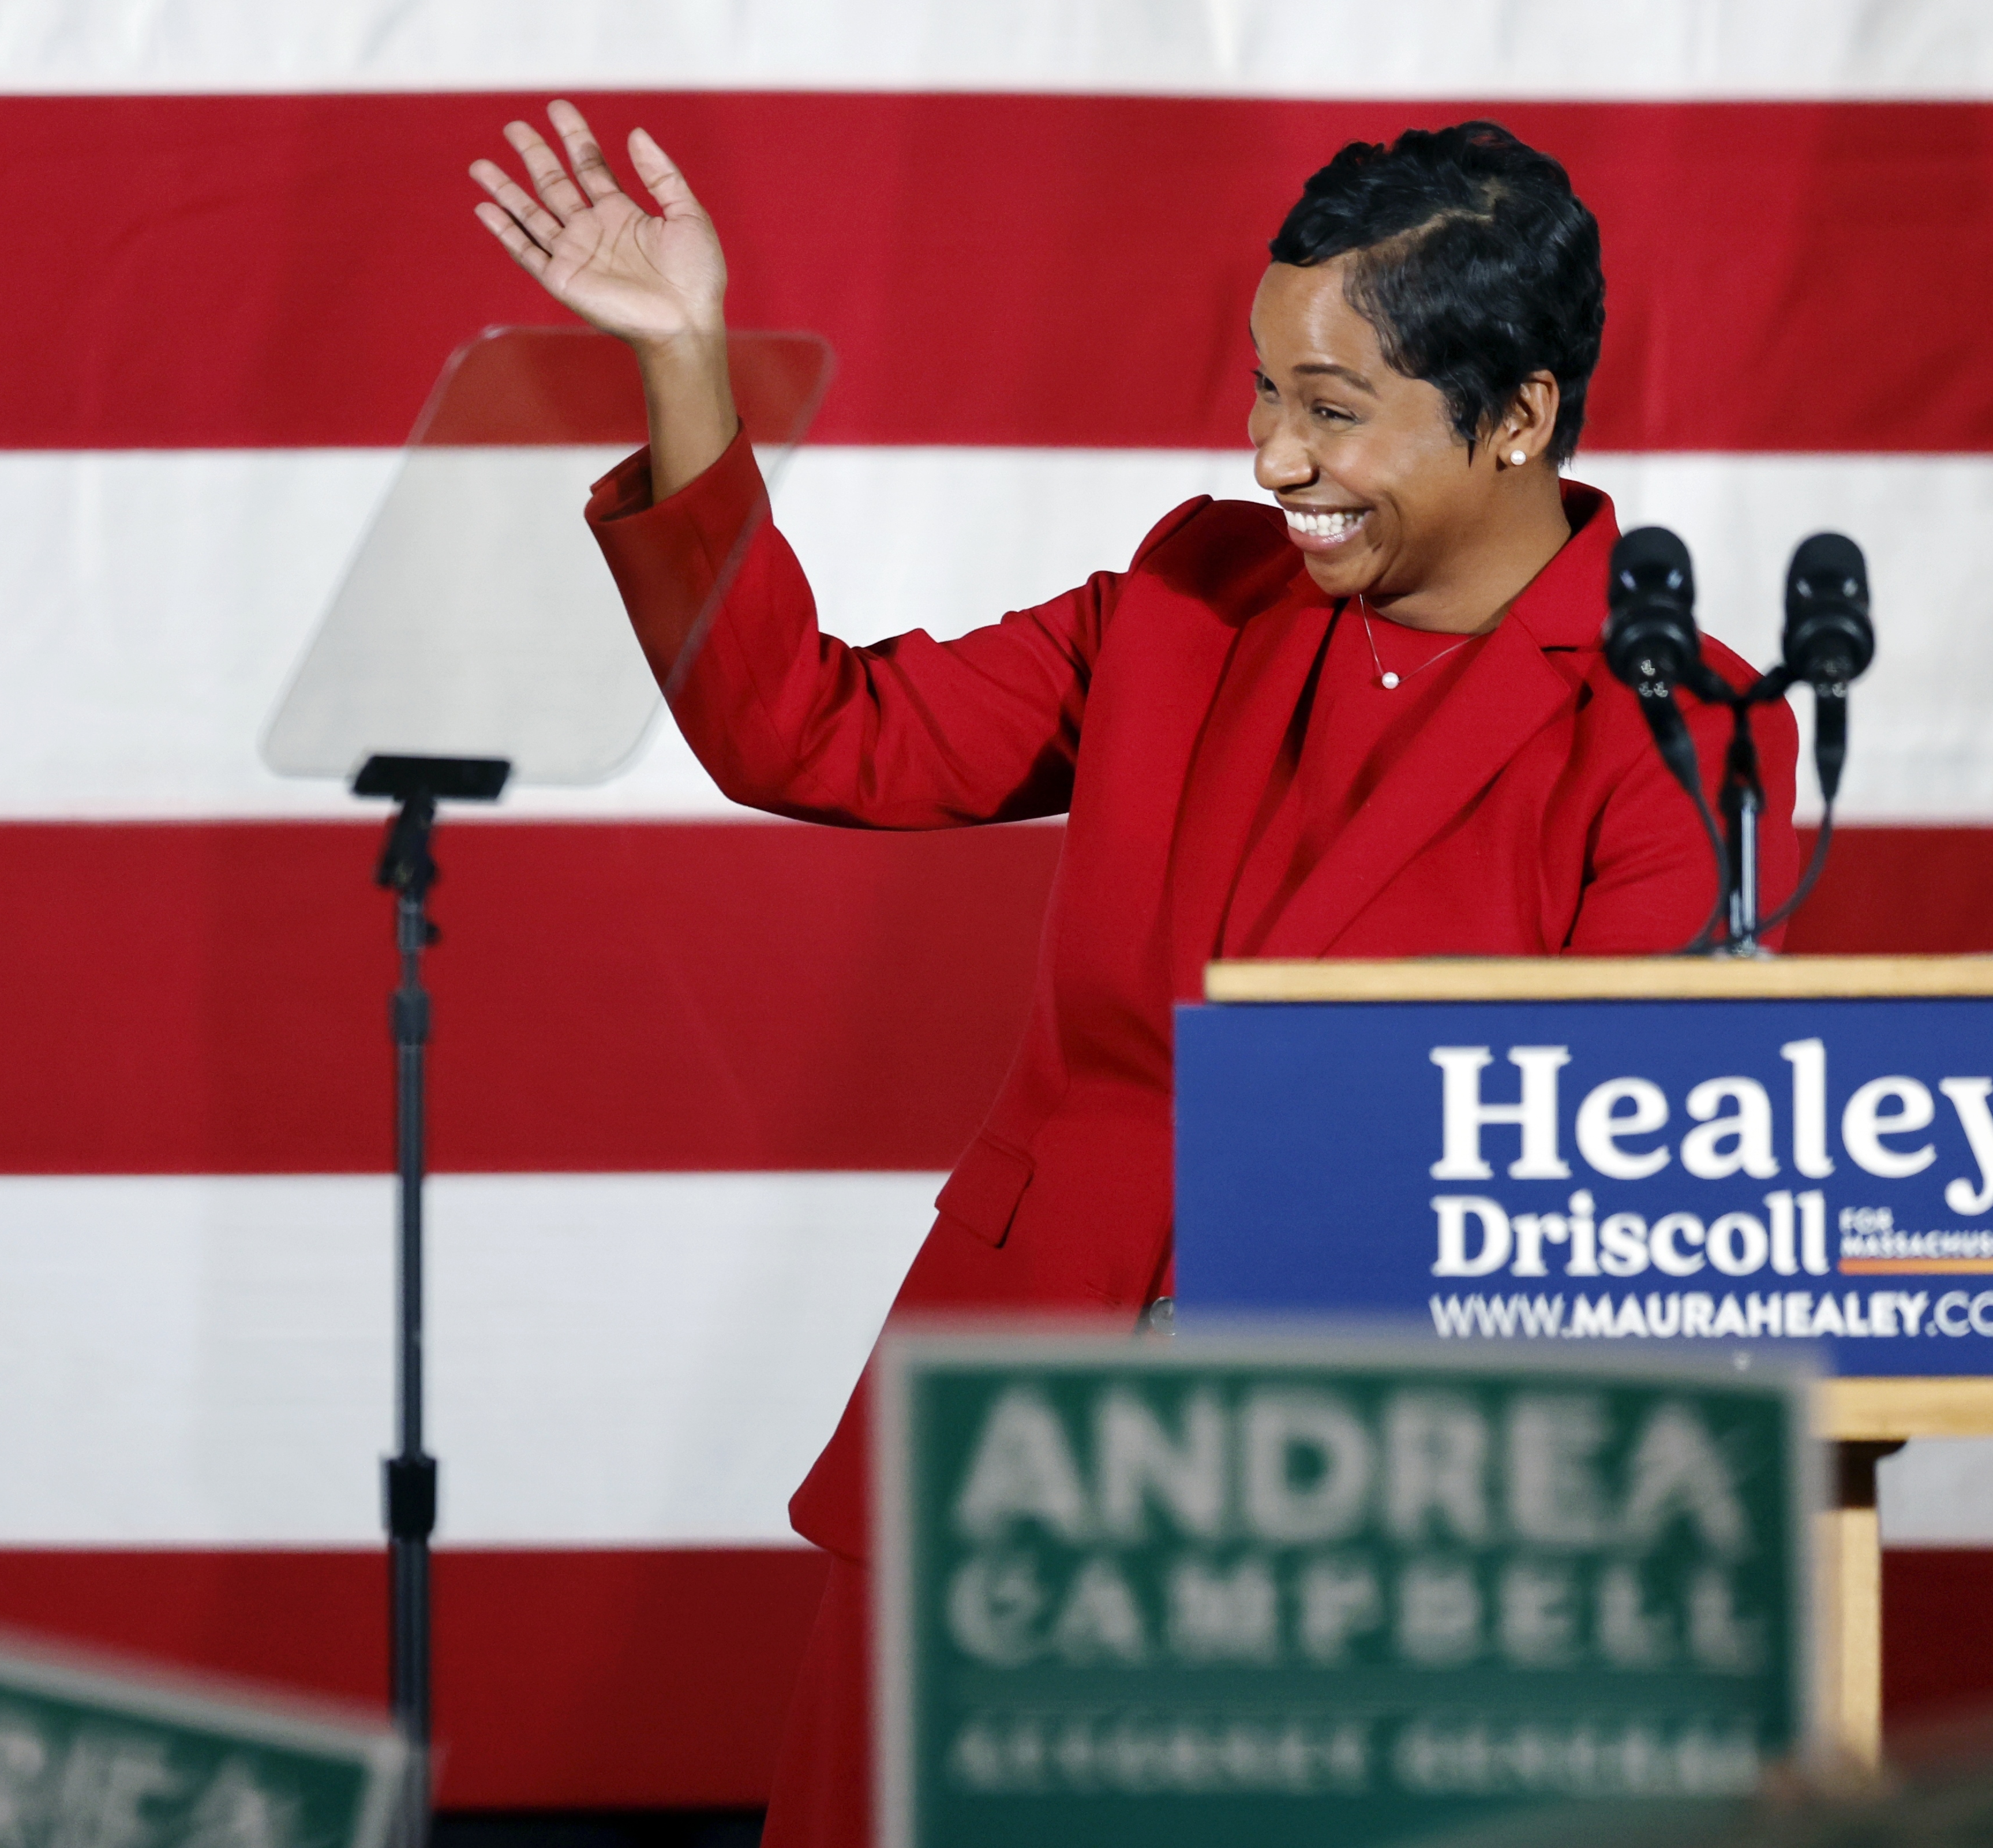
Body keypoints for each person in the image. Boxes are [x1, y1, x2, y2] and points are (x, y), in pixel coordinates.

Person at [468, 100, 1798, 1845]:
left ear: (1519, 416)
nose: (1273, 459)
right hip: (1014, 1450)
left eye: (1332, 411)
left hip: (1367, 1516)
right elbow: (803, 730)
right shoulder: (1193, 596)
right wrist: (686, 367)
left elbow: (1625, 1189)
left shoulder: (1677, 720)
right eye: (1261, 391)